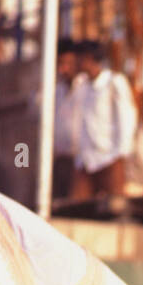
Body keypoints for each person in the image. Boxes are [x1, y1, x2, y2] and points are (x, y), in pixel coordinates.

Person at [72, 40, 138, 203]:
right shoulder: (81, 85)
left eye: (80, 58)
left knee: (114, 208)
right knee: (78, 208)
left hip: (109, 158)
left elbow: (127, 118)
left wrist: (120, 154)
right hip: (86, 160)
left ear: (88, 59)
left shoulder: (114, 82)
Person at [53, 37, 84, 200]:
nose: (63, 69)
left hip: (82, 163)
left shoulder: (86, 87)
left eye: (67, 63)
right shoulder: (55, 91)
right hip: (59, 161)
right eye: (60, 64)